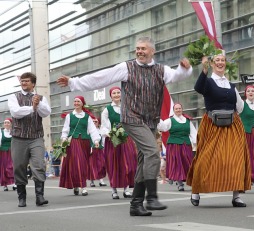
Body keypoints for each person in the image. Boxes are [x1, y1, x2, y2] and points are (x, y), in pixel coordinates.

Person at [57, 36, 192, 216]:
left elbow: (177, 76)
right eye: (137, 48)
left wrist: (185, 69)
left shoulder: (161, 70)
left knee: (145, 159)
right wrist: (74, 82)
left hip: (150, 121)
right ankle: (151, 197)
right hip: (131, 118)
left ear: (152, 51)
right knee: (152, 153)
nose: (139, 51)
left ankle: (136, 204)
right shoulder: (126, 68)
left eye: (143, 48)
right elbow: (100, 78)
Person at [186, 53, 251, 208]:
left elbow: (240, 107)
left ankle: (236, 196)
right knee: (205, 158)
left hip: (232, 126)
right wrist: (204, 69)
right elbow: (198, 88)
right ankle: (196, 191)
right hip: (212, 125)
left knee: (236, 158)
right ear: (213, 64)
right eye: (217, 61)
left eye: (222, 60)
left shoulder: (232, 86)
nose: (220, 63)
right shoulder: (208, 82)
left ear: (225, 64)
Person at [8, 72, 51, 207]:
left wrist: (38, 105)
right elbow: (16, 112)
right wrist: (32, 108)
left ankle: (40, 196)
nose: (24, 83)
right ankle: (22, 198)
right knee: (19, 167)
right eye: (22, 81)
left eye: (27, 81)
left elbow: (46, 113)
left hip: (36, 137)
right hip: (18, 138)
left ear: (33, 84)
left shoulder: (41, 98)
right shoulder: (14, 97)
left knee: (39, 165)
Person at [100, 87, 137, 199]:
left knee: (129, 164)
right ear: (111, 96)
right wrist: (110, 133)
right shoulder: (107, 110)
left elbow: (131, 122)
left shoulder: (126, 107)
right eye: (114, 93)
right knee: (114, 165)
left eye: (118, 93)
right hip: (113, 141)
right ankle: (114, 190)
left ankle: (126, 189)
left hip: (126, 139)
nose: (116, 95)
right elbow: (103, 126)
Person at [59, 96, 100, 196]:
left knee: (81, 164)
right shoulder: (69, 116)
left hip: (85, 142)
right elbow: (65, 129)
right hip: (73, 142)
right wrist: (64, 139)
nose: (76, 103)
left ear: (82, 104)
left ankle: (77, 185)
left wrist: (96, 140)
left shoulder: (87, 116)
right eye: (75, 101)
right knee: (79, 163)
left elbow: (92, 130)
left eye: (78, 101)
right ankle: (83, 187)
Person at [157, 103, 196, 191]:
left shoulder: (187, 120)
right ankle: (180, 183)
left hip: (186, 144)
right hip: (174, 145)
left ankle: (191, 181)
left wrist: (196, 142)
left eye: (179, 108)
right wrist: (158, 119)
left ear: (182, 109)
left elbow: (193, 133)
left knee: (188, 163)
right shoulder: (170, 120)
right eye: (176, 109)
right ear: (174, 110)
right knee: (177, 163)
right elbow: (163, 128)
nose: (178, 110)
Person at [88, 117, 107, 187]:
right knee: (92, 166)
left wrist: (104, 148)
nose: (94, 123)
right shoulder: (89, 131)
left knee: (101, 165)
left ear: (98, 123)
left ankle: (101, 180)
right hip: (92, 150)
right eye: (93, 122)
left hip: (100, 150)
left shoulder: (100, 131)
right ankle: (92, 181)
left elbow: (103, 141)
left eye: (95, 122)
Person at [0, 118, 16, 191]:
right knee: (4, 168)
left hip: (12, 151)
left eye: (8, 123)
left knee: (12, 167)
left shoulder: (13, 132)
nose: (6, 124)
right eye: (5, 122)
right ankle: (5, 185)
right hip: (3, 152)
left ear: (10, 124)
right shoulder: (1, 132)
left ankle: (14, 183)